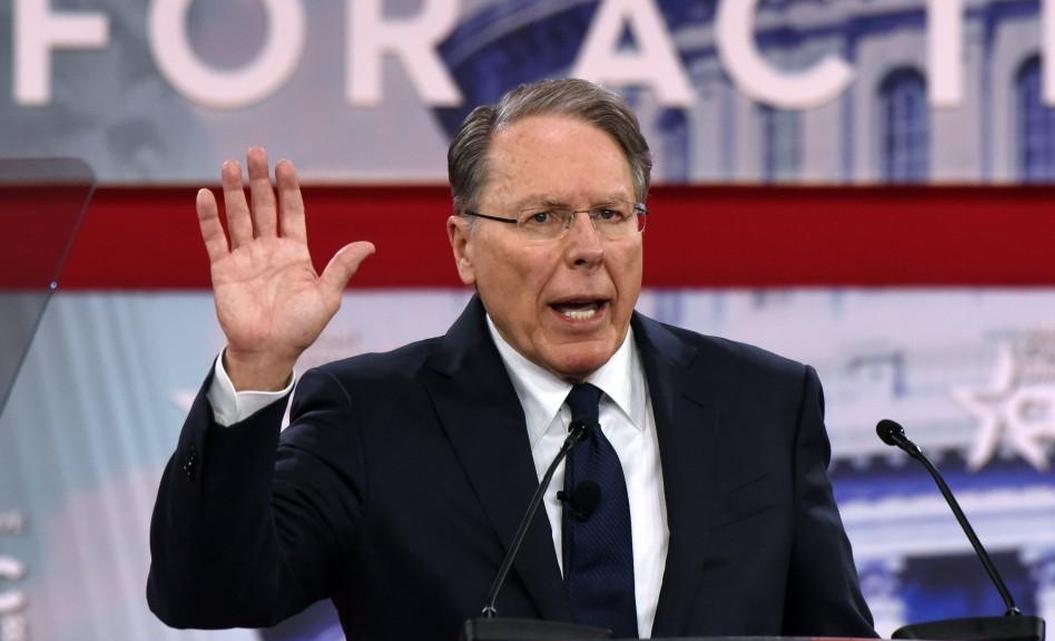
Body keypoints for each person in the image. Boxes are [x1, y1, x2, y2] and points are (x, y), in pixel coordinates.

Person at [148, 78, 876, 640]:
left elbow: (834, 631)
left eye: (613, 214)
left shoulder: (763, 404)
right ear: (464, 246)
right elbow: (207, 592)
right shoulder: (368, 417)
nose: (587, 247)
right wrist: (255, 370)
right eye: (545, 218)